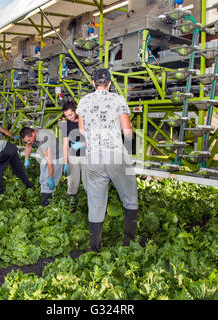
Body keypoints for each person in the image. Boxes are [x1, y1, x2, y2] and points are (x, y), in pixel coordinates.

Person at [76, 68, 138, 252]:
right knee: (130, 198)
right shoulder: (117, 99)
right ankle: (129, 242)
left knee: (95, 203)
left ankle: (94, 248)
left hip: (93, 156)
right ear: (109, 83)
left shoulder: (84, 101)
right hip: (115, 155)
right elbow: (127, 132)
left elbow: (81, 132)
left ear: (93, 83)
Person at [20, 127, 63, 206]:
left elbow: (50, 161)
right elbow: (28, 145)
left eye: (29, 140)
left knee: (48, 183)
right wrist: (26, 159)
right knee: (43, 180)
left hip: (57, 157)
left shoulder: (43, 138)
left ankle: (47, 205)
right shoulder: (31, 135)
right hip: (46, 156)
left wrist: (51, 177)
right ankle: (48, 197)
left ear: (33, 133)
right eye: (26, 141)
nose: (29, 142)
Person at [60, 100, 88, 212]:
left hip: (86, 155)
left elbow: (94, 138)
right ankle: (71, 210)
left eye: (70, 114)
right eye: (66, 116)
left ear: (76, 111)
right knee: (72, 184)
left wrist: (83, 144)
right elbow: (65, 144)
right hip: (73, 156)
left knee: (88, 184)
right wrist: (66, 163)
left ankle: (93, 210)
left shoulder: (85, 120)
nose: (69, 117)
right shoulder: (65, 124)